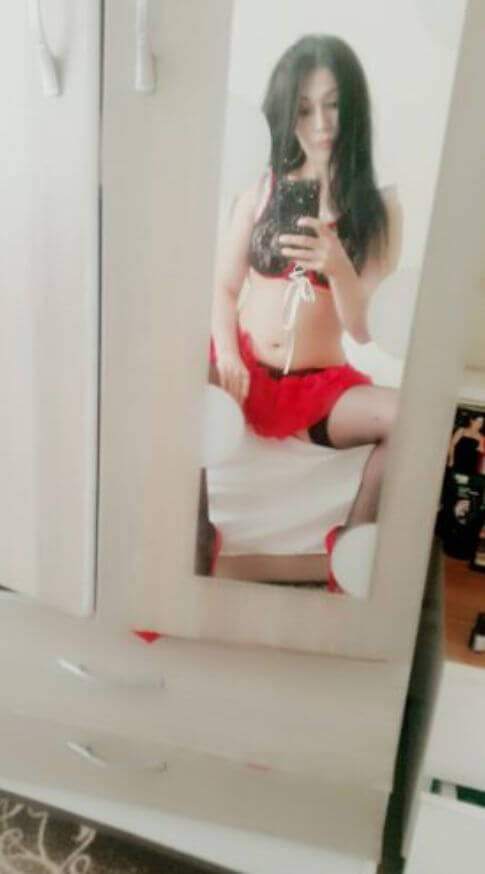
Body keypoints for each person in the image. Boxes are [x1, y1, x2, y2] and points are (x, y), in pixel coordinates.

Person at [209, 34, 402, 590]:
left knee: (412, 418)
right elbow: (223, 288)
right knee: (167, 374)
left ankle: (353, 546)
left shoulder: (379, 209)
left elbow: (363, 330)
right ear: (285, 112)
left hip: (320, 390)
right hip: (244, 371)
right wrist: (228, 354)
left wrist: (337, 264)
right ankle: (197, 531)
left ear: (354, 107)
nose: (321, 124)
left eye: (334, 104)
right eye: (304, 108)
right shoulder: (262, 187)